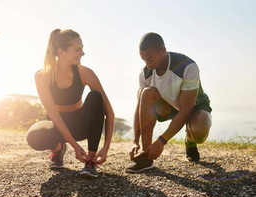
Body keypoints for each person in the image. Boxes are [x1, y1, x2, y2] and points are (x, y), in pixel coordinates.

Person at [26, 29, 114, 177]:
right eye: (78, 49)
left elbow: (109, 112)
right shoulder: (42, 76)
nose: (82, 53)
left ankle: (90, 161)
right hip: (57, 124)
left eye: (82, 49)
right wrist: (75, 146)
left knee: (95, 97)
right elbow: (54, 115)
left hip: (80, 124)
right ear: (61, 52)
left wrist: (106, 147)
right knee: (34, 136)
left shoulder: (86, 73)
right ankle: (58, 148)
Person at [125, 32, 212, 173]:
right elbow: (139, 105)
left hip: (193, 107)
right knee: (146, 93)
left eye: (150, 59)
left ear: (163, 51)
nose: (147, 64)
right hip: (168, 106)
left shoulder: (188, 66)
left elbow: (185, 111)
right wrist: (135, 140)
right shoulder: (145, 72)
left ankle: (190, 139)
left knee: (199, 131)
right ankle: (146, 157)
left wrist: (161, 141)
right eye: (144, 60)